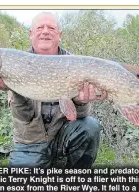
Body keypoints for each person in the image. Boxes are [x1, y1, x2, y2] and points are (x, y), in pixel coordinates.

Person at [6, 12, 102, 168]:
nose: (45, 31)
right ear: (31, 34)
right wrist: (15, 91)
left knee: (90, 127)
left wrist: (80, 101)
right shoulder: (17, 64)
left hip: (63, 136)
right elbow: (24, 117)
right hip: (30, 142)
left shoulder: (75, 64)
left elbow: (81, 116)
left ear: (60, 35)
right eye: (40, 27)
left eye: (51, 27)